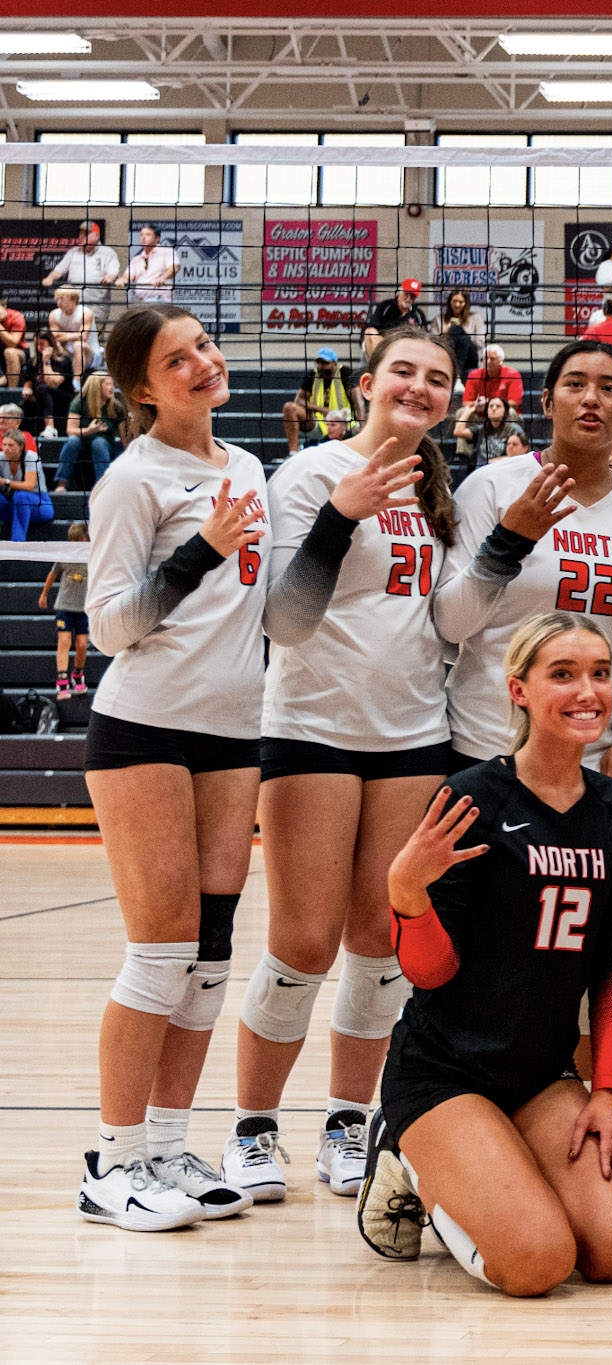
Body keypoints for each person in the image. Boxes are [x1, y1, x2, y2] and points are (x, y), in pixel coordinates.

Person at [220, 327, 458, 1203]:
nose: (420, 387)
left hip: (411, 737)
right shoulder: (310, 473)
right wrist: (341, 513)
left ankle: (348, 1120)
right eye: (404, 371)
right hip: (312, 729)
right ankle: (252, 1129)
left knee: (377, 944)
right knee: (302, 941)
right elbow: (283, 617)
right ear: (366, 383)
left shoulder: (440, 491)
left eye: (438, 379)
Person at [353, 613, 612, 1295]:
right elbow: (432, 972)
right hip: (444, 1069)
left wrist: (606, 1091)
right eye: (563, 674)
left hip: (541, 1073)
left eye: (600, 673)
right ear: (518, 690)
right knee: (537, 1262)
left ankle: (497, 1155)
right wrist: (406, 893)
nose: (588, 691)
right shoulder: (473, 798)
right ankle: (405, 1150)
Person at [78, 303, 268, 1230]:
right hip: (145, 730)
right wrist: (202, 550)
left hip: (233, 734)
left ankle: (165, 1147)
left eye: (202, 345)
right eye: (175, 358)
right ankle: (110, 1165)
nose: (201, 362)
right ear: (143, 388)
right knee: (158, 951)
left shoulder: (250, 468)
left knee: (208, 955)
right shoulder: (132, 479)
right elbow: (110, 625)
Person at [435, 337, 612, 785]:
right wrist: (507, 542)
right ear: (548, 402)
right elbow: (450, 627)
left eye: (609, 388)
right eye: (575, 384)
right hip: (484, 748)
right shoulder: (489, 488)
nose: (591, 398)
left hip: (595, 759)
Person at [40, 521, 92, 698]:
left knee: (82, 644)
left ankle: (77, 674)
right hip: (64, 606)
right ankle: (62, 681)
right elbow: (52, 574)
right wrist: (44, 594)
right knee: (64, 641)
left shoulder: (92, 555)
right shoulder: (64, 555)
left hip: (84, 606)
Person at [55, 373, 128, 492]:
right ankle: (61, 484)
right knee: (72, 440)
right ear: (97, 386)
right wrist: (89, 430)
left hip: (104, 448)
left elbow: (123, 438)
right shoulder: (79, 403)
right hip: (81, 446)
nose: (112, 388)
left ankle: (103, 488)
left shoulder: (115, 407)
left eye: (113, 384)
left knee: (98, 442)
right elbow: (70, 430)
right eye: (108, 384)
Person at [285, 348, 358, 456]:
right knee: (289, 407)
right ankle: (293, 453)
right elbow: (298, 400)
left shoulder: (344, 373)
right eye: (318, 362)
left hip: (343, 422)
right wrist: (323, 410)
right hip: (319, 422)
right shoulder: (313, 375)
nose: (321, 366)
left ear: (334, 363)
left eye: (325, 363)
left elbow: (357, 396)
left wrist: (361, 423)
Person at [43, 220, 122, 313]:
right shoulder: (73, 252)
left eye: (86, 234)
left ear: (97, 236)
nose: (82, 236)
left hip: (96, 308)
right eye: (81, 233)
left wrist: (110, 277)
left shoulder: (108, 252)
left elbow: (113, 271)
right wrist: (50, 277)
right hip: (73, 308)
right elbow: (60, 269)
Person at [3, 429, 53, 541]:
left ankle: (17, 543)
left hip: (40, 504)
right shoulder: (1, 458)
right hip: (12, 505)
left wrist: (5, 482)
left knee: (21, 496)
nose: (6, 449)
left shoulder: (31, 457)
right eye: (4, 445)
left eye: (11, 445)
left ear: (20, 446)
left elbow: (29, 485)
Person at [454, 395, 524, 468]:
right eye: (491, 406)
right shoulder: (481, 429)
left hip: (504, 469)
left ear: (505, 411)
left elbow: (520, 455)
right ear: (487, 412)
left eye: (498, 406)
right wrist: (469, 411)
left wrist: (497, 460)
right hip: (482, 471)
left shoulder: (514, 429)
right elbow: (458, 432)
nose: (494, 408)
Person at [119, 225, 180, 305]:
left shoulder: (166, 252)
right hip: (140, 302)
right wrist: (123, 279)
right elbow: (128, 275)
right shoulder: (137, 259)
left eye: (147, 235)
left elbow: (174, 268)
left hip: (160, 302)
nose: (143, 237)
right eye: (142, 235)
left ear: (157, 238)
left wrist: (162, 278)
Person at [363, 280, 428, 354]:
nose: (408, 299)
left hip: (407, 348)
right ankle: (377, 364)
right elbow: (373, 326)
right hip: (384, 344)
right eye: (406, 294)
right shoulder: (385, 306)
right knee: (370, 332)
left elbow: (424, 336)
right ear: (400, 292)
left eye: (412, 296)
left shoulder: (418, 314)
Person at [50, 287, 101, 379]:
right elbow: (54, 337)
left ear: (74, 300)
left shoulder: (86, 313)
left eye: (62, 299)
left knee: (78, 345)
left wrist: (62, 336)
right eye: (57, 299)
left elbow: (83, 337)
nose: (59, 303)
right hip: (67, 352)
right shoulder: (54, 314)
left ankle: (76, 381)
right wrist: (74, 335)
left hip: (90, 353)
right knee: (53, 344)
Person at [463, 345, 524, 411]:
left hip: (504, 413)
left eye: (492, 359)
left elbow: (514, 404)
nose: (488, 362)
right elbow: (466, 403)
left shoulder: (513, 375)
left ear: (501, 361)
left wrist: (489, 403)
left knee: (511, 412)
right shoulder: (474, 375)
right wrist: (478, 404)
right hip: (482, 413)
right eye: (486, 358)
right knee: (462, 411)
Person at [437, 288, 481, 380]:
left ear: (466, 303)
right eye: (454, 301)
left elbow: (480, 342)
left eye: (460, 302)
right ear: (450, 302)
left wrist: (462, 331)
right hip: (447, 354)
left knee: (461, 335)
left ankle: (455, 375)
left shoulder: (476, 318)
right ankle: (457, 375)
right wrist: (445, 333)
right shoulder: (439, 319)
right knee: (458, 334)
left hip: (470, 358)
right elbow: (433, 342)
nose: (457, 305)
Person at [1, 293, 26, 388]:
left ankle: (12, 393)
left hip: (18, 351)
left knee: (10, 352)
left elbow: (13, 343)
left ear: (4, 307)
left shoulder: (16, 317)